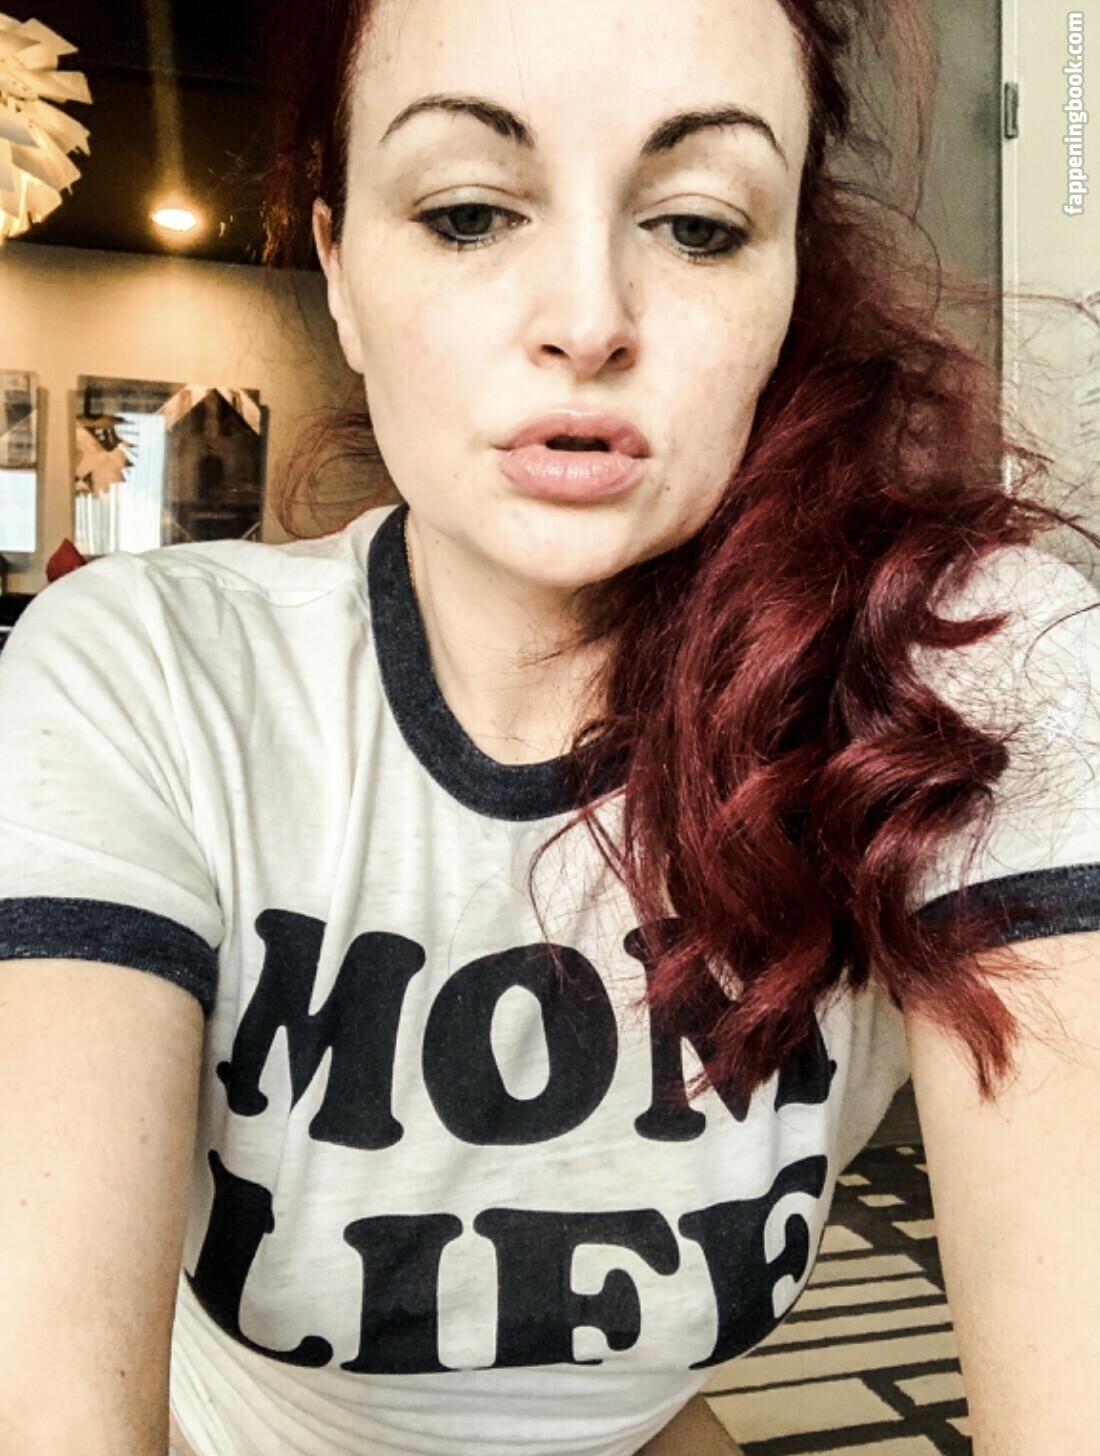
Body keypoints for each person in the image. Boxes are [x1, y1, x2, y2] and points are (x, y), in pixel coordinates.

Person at [1, 0, 1099, 1453]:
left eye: (699, 226)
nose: (587, 320)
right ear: (338, 268)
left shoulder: (963, 673)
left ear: (789, 282)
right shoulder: (147, 674)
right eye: (468, 213)